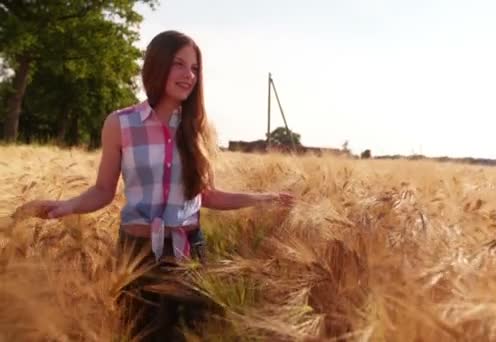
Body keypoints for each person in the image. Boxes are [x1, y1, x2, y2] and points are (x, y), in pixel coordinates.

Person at [20, 30, 295, 341]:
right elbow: (103, 191)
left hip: (189, 250)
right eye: (179, 64)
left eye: (194, 68)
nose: (188, 75)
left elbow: (207, 195)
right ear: (157, 64)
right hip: (136, 255)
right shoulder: (120, 124)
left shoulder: (200, 129)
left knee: (191, 335)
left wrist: (263, 198)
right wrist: (66, 206)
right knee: (139, 335)